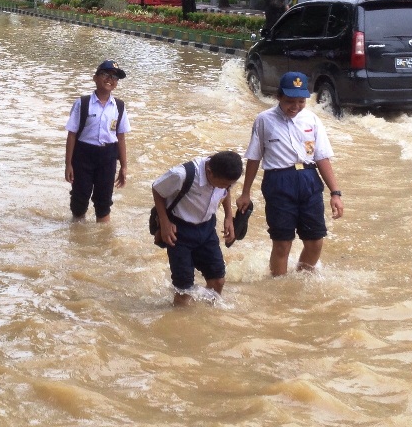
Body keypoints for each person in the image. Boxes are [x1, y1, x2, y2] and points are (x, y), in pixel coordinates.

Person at [236, 71, 344, 277]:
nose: (295, 107)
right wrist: (245, 193)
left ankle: (300, 282)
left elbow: (322, 157)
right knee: (282, 244)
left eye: (301, 101)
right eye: (289, 101)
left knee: (315, 242)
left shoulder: (311, 119)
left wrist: (335, 193)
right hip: (278, 183)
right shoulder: (264, 120)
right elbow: (254, 157)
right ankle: (279, 289)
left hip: (309, 181)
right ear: (278, 97)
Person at [152, 151, 243, 306]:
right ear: (209, 172)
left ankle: (208, 317)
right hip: (179, 231)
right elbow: (157, 189)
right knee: (184, 289)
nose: (227, 187)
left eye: (230, 184)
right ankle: (181, 322)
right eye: (223, 184)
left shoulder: (224, 177)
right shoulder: (181, 174)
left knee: (218, 281)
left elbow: (225, 190)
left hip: (207, 229)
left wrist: (229, 216)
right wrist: (164, 222)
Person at [64, 60, 130, 223]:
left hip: (107, 157)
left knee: (104, 201)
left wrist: (124, 166)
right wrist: (68, 164)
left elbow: (120, 137)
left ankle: (103, 241)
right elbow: (72, 134)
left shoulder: (119, 107)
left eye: (115, 77)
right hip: (83, 156)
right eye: (106, 74)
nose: (110, 79)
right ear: (95, 78)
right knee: (79, 198)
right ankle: (78, 235)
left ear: (116, 84)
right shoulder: (83, 103)